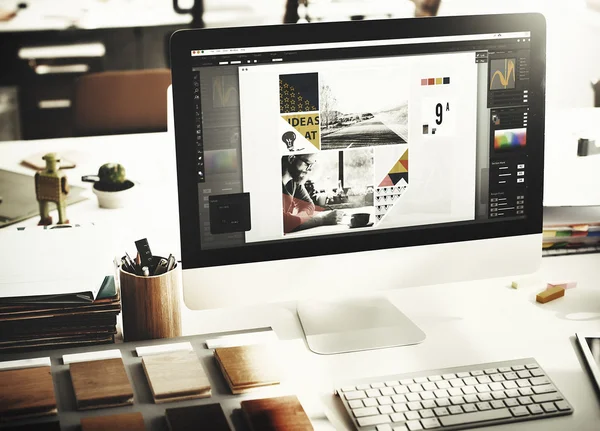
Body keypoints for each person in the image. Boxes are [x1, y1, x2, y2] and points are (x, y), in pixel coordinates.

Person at [282, 154, 343, 233]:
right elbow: (284, 223)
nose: (309, 170)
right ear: (291, 158)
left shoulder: (294, 181)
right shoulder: (271, 185)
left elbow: (308, 205)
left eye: (311, 166)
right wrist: (322, 219)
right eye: (307, 164)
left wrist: (297, 220)